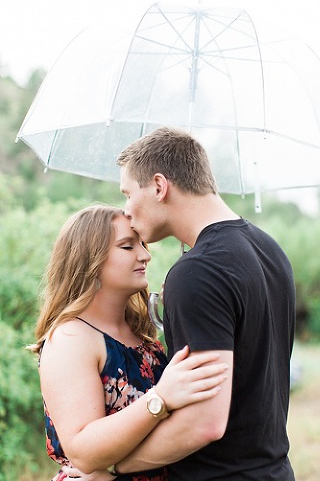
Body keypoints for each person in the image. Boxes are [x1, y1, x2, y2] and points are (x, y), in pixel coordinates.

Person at [114, 127, 296, 480]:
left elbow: (204, 423)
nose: (126, 209)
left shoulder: (199, 270)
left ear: (159, 186)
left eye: (127, 192)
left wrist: (116, 464)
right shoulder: (269, 249)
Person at [29, 205, 229, 481]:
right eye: (127, 247)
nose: (145, 255)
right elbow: (83, 451)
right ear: (89, 260)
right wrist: (160, 399)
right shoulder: (71, 339)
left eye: (143, 245)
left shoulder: (141, 334)